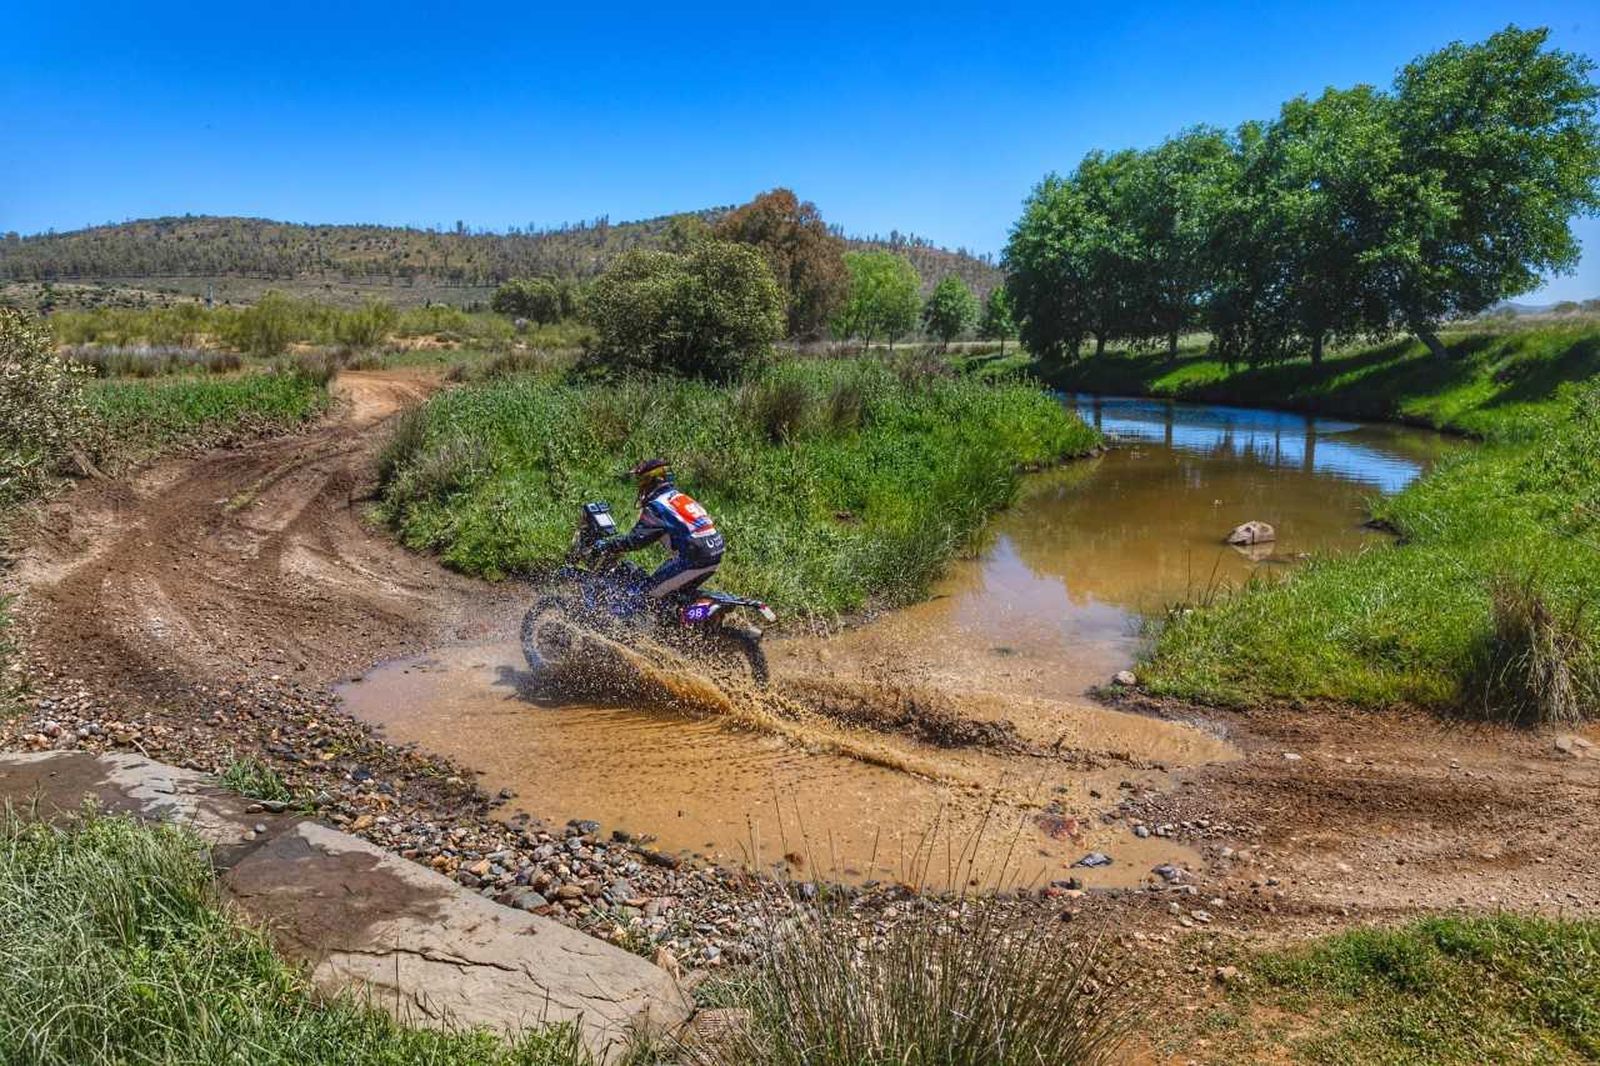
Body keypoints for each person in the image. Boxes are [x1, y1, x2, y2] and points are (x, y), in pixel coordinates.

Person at [596, 458, 725, 603]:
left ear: (651, 482)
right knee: (670, 592)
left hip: (695, 557)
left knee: (649, 594)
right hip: (714, 552)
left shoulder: (658, 506)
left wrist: (608, 545)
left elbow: (637, 540)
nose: (640, 487)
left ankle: (645, 623)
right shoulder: (680, 497)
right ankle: (677, 617)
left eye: (642, 481)